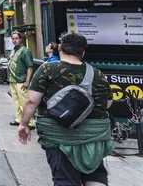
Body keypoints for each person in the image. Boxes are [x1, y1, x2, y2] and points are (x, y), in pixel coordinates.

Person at [18, 32, 114, 186]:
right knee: (95, 176)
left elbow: (31, 101)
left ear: (60, 48)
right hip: (94, 135)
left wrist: (23, 124)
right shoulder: (98, 73)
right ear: (83, 52)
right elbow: (108, 104)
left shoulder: (47, 69)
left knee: (65, 179)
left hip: (59, 135)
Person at [8, 31, 34, 128]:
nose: (14, 40)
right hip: (13, 80)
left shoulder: (24, 51)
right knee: (17, 102)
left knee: (24, 102)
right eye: (13, 39)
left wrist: (27, 81)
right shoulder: (14, 50)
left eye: (16, 38)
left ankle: (30, 122)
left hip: (21, 81)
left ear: (20, 39)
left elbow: (30, 67)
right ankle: (19, 119)